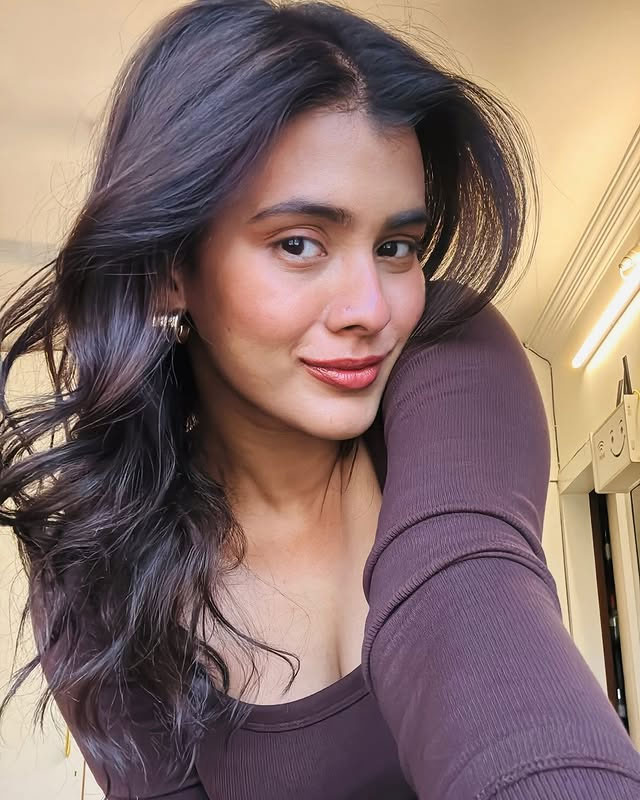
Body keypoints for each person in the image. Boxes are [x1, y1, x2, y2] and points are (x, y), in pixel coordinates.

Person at [1, 1, 639, 797]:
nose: (372, 309)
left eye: (396, 246)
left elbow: (463, 589)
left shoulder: (448, 350)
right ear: (170, 271)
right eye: (299, 243)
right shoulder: (92, 584)